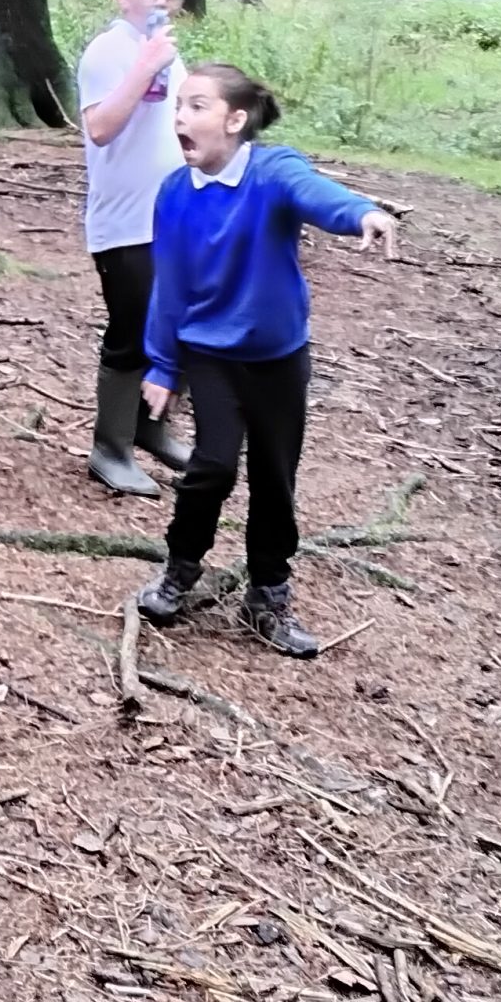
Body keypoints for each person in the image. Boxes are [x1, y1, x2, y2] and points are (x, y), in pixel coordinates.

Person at [135, 64, 399, 659]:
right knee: (213, 467)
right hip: (210, 353)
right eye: (179, 106)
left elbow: (317, 196)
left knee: (274, 478)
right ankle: (180, 569)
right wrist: (163, 367)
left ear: (234, 120)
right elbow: (170, 287)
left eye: (197, 106)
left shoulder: (272, 171)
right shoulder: (174, 194)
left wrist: (363, 213)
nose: (181, 117)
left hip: (278, 357)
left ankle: (268, 595)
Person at [78, 0, 193, 496]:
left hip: (172, 216)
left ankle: (151, 426)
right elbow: (100, 128)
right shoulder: (108, 51)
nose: (157, 2)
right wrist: (145, 66)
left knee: (177, 324)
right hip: (124, 222)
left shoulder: (169, 54)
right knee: (131, 330)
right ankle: (110, 448)